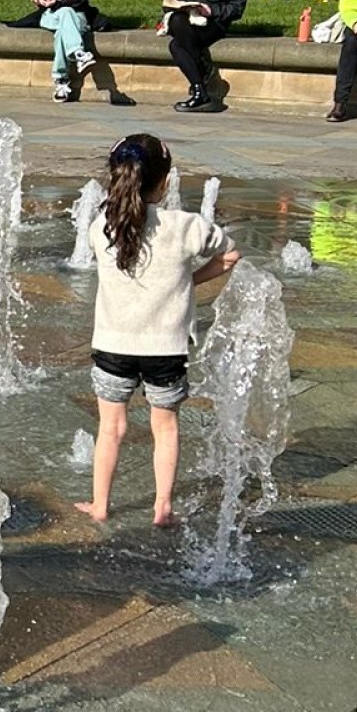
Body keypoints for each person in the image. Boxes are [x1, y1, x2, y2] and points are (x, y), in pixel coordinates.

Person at [75, 132, 238, 528]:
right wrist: (189, 281)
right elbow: (230, 254)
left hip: (113, 344)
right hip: (166, 348)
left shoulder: (102, 227)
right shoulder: (186, 226)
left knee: (110, 428)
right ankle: (163, 507)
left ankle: (100, 505)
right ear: (165, 182)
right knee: (165, 429)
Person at [161, 0, 247, 113]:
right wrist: (176, 4)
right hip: (184, 18)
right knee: (177, 21)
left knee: (176, 46)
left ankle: (200, 90)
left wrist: (212, 10)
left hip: (211, 23)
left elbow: (237, 7)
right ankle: (202, 82)